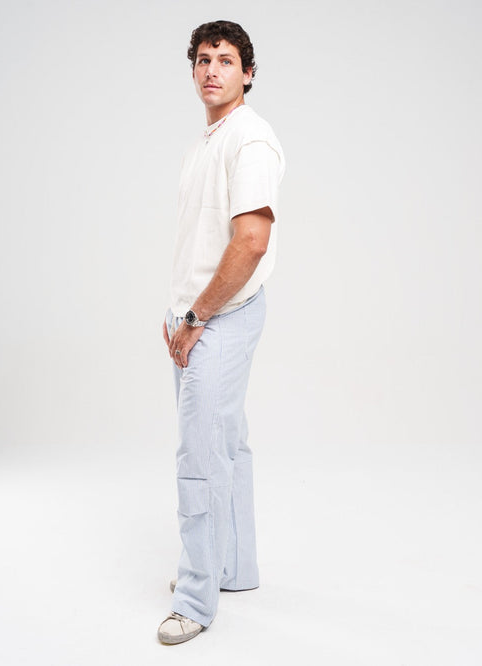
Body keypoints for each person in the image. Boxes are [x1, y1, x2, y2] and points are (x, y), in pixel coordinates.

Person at [157, 19, 285, 645]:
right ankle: (231, 568)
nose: (212, 70)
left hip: (219, 317)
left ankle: (195, 598)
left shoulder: (250, 139)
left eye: (226, 60)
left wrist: (196, 317)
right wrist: (178, 307)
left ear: (248, 73)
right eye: (203, 59)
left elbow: (251, 241)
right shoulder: (206, 143)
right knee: (227, 446)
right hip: (200, 313)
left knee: (201, 458)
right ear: (193, 71)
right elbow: (202, 241)